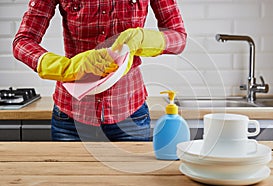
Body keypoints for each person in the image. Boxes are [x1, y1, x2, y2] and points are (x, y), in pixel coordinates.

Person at [13, 0, 187, 142]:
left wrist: (144, 38)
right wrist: (67, 67)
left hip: (130, 116)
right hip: (71, 119)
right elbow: (22, 41)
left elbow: (178, 37)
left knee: (132, 185)